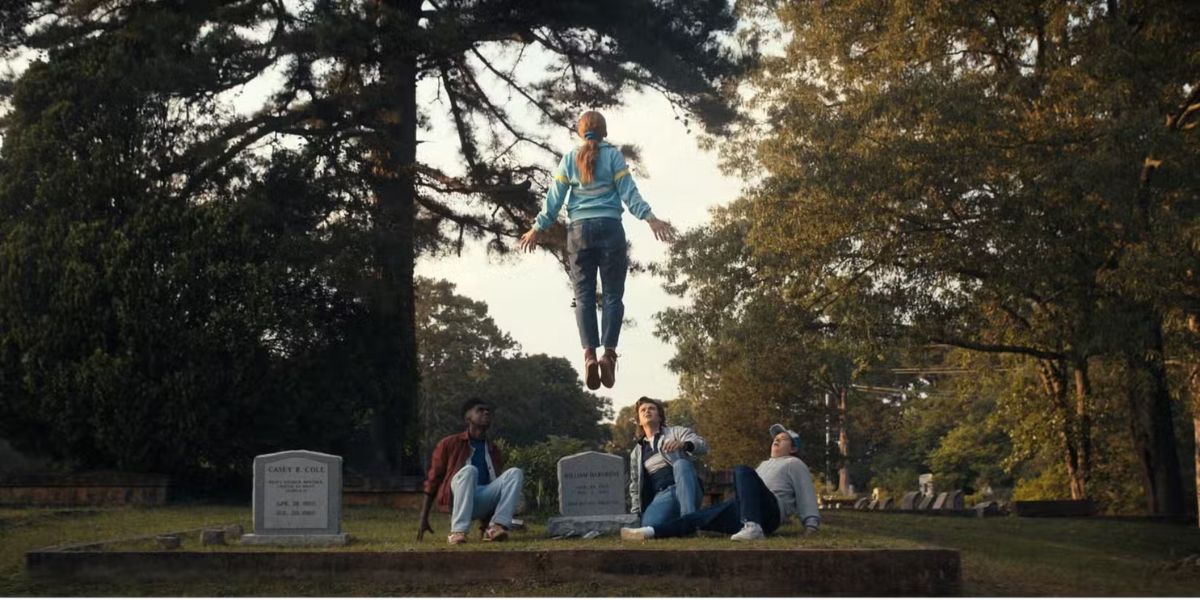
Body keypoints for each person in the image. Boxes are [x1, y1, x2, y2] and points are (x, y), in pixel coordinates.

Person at [518, 110, 676, 390]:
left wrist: (537, 228)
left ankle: (589, 355)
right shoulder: (613, 156)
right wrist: (650, 219)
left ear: (581, 133)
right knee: (613, 295)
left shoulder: (569, 160)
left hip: (579, 232)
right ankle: (609, 355)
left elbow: (554, 200)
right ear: (604, 132)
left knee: (583, 297)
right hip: (610, 228)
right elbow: (629, 192)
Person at [621, 423, 820, 541]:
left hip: (769, 512)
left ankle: (752, 526)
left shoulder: (794, 463)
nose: (776, 439)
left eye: (783, 438)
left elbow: (806, 493)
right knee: (696, 518)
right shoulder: (763, 465)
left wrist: (810, 525)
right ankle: (649, 532)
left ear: (793, 448)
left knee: (742, 470)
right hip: (743, 511)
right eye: (775, 437)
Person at [417, 398, 525, 545]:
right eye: (480, 410)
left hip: (481, 500)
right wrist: (424, 518)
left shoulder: (493, 450)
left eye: (488, 411)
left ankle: (495, 528)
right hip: (458, 497)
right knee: (470, 471)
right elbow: (433, 480)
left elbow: (495, 487)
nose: (486, 412)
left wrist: (484, 525)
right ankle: (458, 532)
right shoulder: (449, 443)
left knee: (515, 473)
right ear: (468, 417)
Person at [628, 396, 707, 529]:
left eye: (651, 408)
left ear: (659, 417)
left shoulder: (676, 432)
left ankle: (690, 521)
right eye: (643, 410)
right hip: (663, 495)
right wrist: (636, 513)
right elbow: (635, 486)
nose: (647, 411)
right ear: (639, 421)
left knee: (681, 464)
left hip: (686, 487)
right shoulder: (637, 452)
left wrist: (683, 444)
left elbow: (702, 445)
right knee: (649, 525)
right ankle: (679, 523)